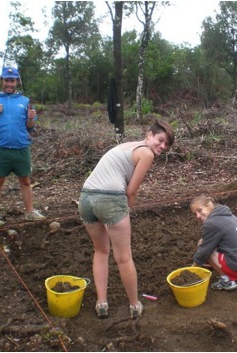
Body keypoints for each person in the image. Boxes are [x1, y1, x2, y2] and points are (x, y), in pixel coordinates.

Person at [78, 119, 175, 319]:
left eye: (166, 144)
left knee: (101, 250)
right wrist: (125, 212)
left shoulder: (127, 146)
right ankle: (134, 305)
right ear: (149, 135)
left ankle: (102, 303)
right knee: (123, 257)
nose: (162, 146)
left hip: (86, 198)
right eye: (160, 140)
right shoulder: (146, 153)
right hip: (110, 199)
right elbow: (131, 191)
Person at [0, 66, 46, 227]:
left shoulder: (25, 101)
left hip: (21, 149)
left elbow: (30, 127)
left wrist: (31, 118)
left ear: (17, 81)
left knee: (25, 181)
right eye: (6, 80)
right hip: (1, 150)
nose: (9, 83)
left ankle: (30, 212)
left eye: (12, 80)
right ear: (1, 81)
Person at [190, 195, 237, 291]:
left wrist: (192, 270)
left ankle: (227, 281)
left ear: (209, 204)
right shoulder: (229, 216)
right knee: (208, 243)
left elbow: (204, 251)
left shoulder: (212, 223)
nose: (197, 216)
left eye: (199, 210)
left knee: (203, 245)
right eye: (195, 213)